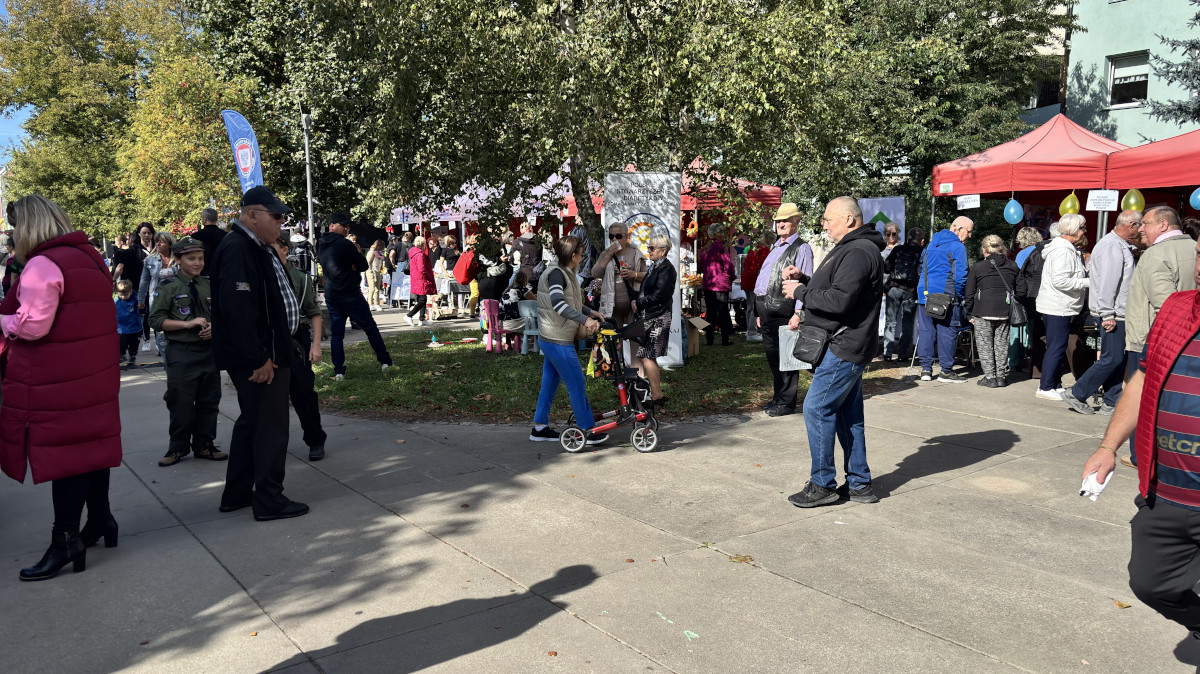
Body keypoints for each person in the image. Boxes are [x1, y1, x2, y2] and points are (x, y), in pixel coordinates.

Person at [1079, 240, 1200, 644]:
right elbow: (1143, 377)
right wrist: (1108, 447)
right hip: (1164, 492)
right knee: (1150, 583)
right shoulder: (1176, 308)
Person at [0, 195, 121, 580]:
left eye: (15, 228)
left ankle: (65, 539)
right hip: (93, 373)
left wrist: (3, 322)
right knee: (92, 449)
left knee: (67, 458)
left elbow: (32, 326)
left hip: (60, 378)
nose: (13, 235)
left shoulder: (42, 264)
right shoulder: (90, 257)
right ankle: (100, 519)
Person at [210, 185, 308, 522]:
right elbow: (237, 311)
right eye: (276, 216)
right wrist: (258, 358)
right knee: (270, 428)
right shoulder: (239, 248)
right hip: (262, 357)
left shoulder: (254, 246)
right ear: (252, 215)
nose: (281, 222)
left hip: (270, 350)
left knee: (252, 424)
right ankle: (269, 499)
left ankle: (238, 494)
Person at [782, 196, 885, 507]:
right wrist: (805, 280)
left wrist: (800, 291)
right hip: (847, 343)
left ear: (849, 220)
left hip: (843, 346)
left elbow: (839, 301)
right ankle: (859, 484)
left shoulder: (858, 251)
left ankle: (823, 483)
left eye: (828, 219)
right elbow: (839, 290)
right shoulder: (853, 248)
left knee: (816, 408)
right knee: (847, 415)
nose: (823, 224)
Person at [1122, 205, 1196, 466]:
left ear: (1163, 225)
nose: (1140, 228)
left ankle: (1139, 456)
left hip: (1152, 341)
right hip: (1188, 340)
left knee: (1141, 399)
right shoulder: (1193, 248)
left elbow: (1165, 305)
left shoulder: (1156, 254)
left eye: (1146, 223)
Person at [148, 236, 227, 467]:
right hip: (181, 352)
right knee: (180, 402)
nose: (197, 263)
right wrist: (187, 324)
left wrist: (215, 328)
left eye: (200, 258)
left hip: (208, 352)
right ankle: (177, 447)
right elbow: (155, 320)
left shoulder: (209, 285)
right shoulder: (168, 286)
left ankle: (205, 444)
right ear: (178, 259)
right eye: (191, 258)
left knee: (209, 401)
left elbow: (223, 314)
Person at [530, 235, 607, 445]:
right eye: (581, 254)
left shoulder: (563, 271)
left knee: (549, 384)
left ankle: (539, 428)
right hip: (557, 339)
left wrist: (590, 312)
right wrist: (585, 320)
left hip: (552, 336)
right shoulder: (557, 274)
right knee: (576, 382)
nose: (582, 258)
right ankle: (587, 429)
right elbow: (558, 305)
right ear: (572, 255)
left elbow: (570, 302)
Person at [1062, 210, 1139, 415]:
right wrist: (1107, 314)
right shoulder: (1112, 246)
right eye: (1139, 226)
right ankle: (1077, 393)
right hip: (1112, 312)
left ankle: (1111, 401)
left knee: (1117, 358)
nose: (1141, 231)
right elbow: (1107, 283)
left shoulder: (1117, 245)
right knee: (1112, 358)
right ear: (1131, 225)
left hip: (1116, 311)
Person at [754, 203, 814, 417]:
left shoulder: (801, 247)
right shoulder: (777, 246)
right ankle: (778, 398)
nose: (780, 224)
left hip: (783, 311)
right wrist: (758, 312)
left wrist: (798, 313)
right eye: (778, 220)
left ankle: (787, 403)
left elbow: (804, 283)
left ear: (796, 222)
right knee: (774, 359)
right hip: (767, 310)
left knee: (786, 360)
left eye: (785, 220)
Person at [271, 236, 327, 462]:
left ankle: (315, 439)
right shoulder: (261, 276)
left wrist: (315, 345)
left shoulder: (300, 278)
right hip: (271, 340)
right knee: (271, 397)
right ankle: (271, 443)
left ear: (285, 249)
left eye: (273, 247)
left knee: (303, 392)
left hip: (297, 339)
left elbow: (314, 312)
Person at [319, 213, 394, 381]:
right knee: (370, 328)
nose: (346, 228)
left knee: (337, 335)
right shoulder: (346, 244)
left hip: (332, 295)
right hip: (350, 293)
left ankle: (339, 371)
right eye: (343, 225)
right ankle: (386, 362)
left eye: (348, 226)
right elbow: (362, 265)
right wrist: (357, 255)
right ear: (332, 225)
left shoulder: (321, 244)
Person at [1034, 213, 1089, 400]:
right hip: (1058, 305)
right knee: (1057, 346)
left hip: (1058, 304)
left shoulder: (1064, 249)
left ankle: (1054, 384)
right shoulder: (1063, 251)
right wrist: (1087, 282)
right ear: (1072, 230)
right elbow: (1060, 281)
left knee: (1057, 345)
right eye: (1082, 228)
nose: (1084, 231)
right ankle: (1046, 386)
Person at [917, 216, 972, 382]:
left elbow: (922, 268)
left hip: (925, 292)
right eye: (969, 232)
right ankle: (946, 372)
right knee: (948, 331)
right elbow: (961, 276)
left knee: (926, 331)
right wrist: (959, 295)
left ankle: (926, 370)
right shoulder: (958, 247)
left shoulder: (931, 244)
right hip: (946, 294)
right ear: (959, 229)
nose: (969, 236)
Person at [963, 235, 1019, 387]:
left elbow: (969, 292)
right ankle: (1001, 376)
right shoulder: (1012, 266)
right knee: (1002, 345)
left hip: (982, 310)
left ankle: (990, 377)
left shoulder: (978, 267)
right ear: (1002, 248)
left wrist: (969, 312)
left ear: (984, 250)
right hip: (1005, 310)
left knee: (984, 345)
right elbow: (1022, 289)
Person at [631, 233, 677, 404]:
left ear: (663, 251)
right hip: (652, 315)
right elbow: (646, 291)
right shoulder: (655, 267)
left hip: (658, 316)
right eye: (648, 247)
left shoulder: (666, 269)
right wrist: (635, 299)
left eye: (652, 248)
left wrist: (639, 303)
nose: (649, 251)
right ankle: (657, 395)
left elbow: (660, 295)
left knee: (646, 355)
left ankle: (657, 395)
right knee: (648, 355)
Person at [591, 221, 647, 327]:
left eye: (618, 236)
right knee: (614, 335)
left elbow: (647, 276)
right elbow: (595, 274)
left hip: (633, 306)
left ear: (626, 237)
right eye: (611, 236)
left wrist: (634, 274)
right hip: (611, 307)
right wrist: (608, 254)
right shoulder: (605, 253)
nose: (614, 239)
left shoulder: (635, 253)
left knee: (634, 335)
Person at [882, 226, 924, 361]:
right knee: (907, 324)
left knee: (890, 322)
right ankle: (902, 355)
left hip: (894, 288)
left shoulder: (898, 249)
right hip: (911, 291)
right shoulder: (922, 252)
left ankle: (887, 354)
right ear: (922, 241)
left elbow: (886, 268)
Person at [700, 223, 735, 346]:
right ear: (715, 234)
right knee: (723, 312)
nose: (723, 234)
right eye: (720, 232)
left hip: (709, 283)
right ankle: (725, 340)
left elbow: (701, 267)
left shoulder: (706, 248)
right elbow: (728, 265)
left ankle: (709, 340)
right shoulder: (722, 247)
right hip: (720, 284)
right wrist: (732, 277)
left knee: (710, 312)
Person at [740, 229, 772, 343]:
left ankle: (749, 330)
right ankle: (752, 332)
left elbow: (745, 263)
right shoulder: (764, 249)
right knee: (754, 307)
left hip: (746, 277)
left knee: (749, 307)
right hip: (754, 279)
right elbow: (763, 265)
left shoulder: (753, 248)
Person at [407, 235, 435, 326]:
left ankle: (421, 319)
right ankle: (409, 315)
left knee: (421, 298)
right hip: (421, 279)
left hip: (415, 278)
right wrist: (429, 276)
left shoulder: (413, 253)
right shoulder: (420, 254)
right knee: (422, 299)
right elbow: (422, 269)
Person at [115, 279, 142, 366]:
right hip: (121, 328)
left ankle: (132, 356)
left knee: (133, 344)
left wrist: (142, 310)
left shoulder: (135, 300)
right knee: (121, 344)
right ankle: (121, 355)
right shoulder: (116, 300)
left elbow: (141, 309)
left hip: (133, 328)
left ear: (130, 291)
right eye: (120, 295)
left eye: (125, 295)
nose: (123, 297)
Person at [193, 207, 226, 277]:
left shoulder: (196, 236)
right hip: (222, 274)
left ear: (205, 219)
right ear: (216, 219)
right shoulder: (226, 235)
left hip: (202, 274)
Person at [365, 239, 386, 310]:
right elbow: (368, 262)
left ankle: (377, 303)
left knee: (377, 288)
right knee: (372, 288)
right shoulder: (372, 252)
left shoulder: (380, 252)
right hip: (371, 271)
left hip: (378, 271)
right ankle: (370, 303)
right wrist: (371, 271)